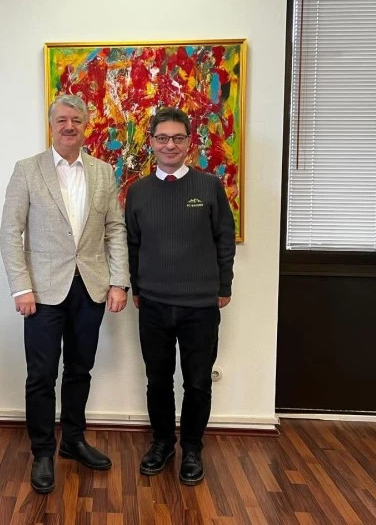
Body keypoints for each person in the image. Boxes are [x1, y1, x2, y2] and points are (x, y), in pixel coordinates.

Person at [0, 94, 130, 494]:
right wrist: (22, 287)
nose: (69, 126)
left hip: (90, 287)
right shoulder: (27, 170)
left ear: (86, 125)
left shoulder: (103, 172)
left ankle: (73, 440)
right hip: (41, 292)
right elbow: (10, 232)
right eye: (62, 119)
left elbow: (115, 229)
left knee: (79, 369)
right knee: (41, 375)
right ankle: (42, 452)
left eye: (76, 119)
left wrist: (119, 281)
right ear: (51, 125)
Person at [125, 107, 236, 486]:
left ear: (189, 142)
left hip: (200, 306)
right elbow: (132, 244)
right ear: (151, 142)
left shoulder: (209, 187)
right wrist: (137, 288)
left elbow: (224, 240)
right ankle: (162, 444)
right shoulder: (138, 191)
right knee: (157, 381)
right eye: (162, 138)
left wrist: (224, 286)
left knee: (198, 382)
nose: (169, 145)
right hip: (153, 304)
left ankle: (191, 449)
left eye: (177, 138)